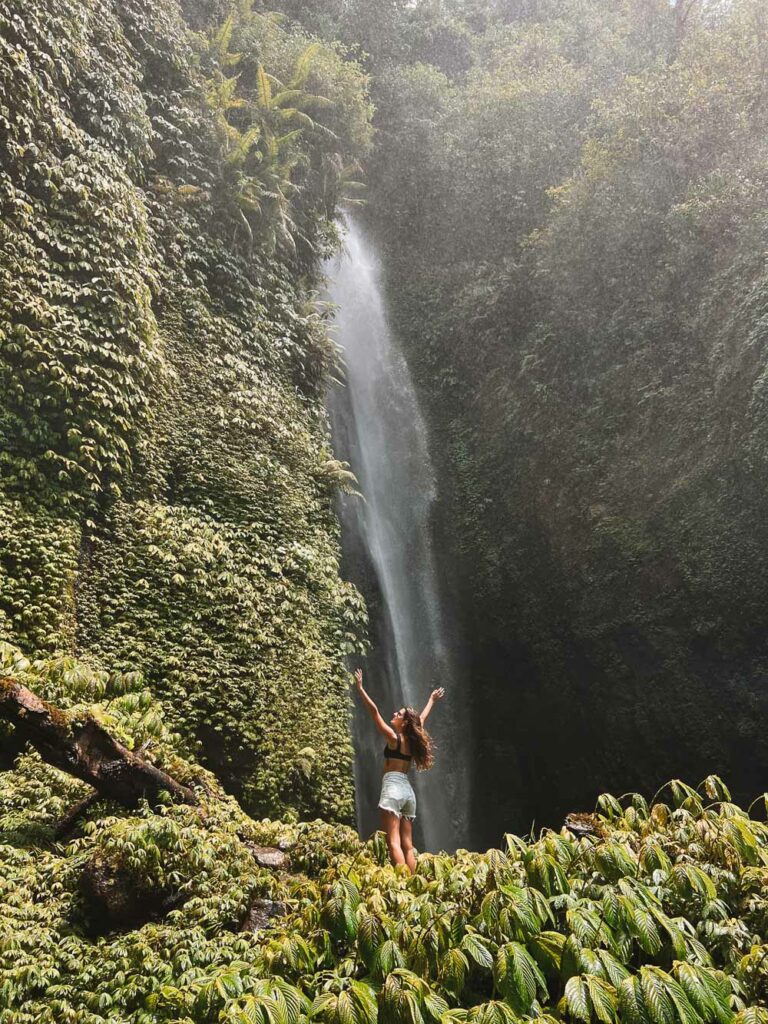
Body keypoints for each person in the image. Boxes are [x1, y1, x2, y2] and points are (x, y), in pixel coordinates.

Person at [353, 668, 444, 872]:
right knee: (408, 846)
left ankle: (402, 883)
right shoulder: (412, 741)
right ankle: (414, 883)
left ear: (403, 723)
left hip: (393, 788)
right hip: (407, 793)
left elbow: (374, 712)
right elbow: (421, 720)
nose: (394, 714)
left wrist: (360, 689)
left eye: (399, 714)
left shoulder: (395, 739)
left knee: (392, 842)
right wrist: (432, 699)